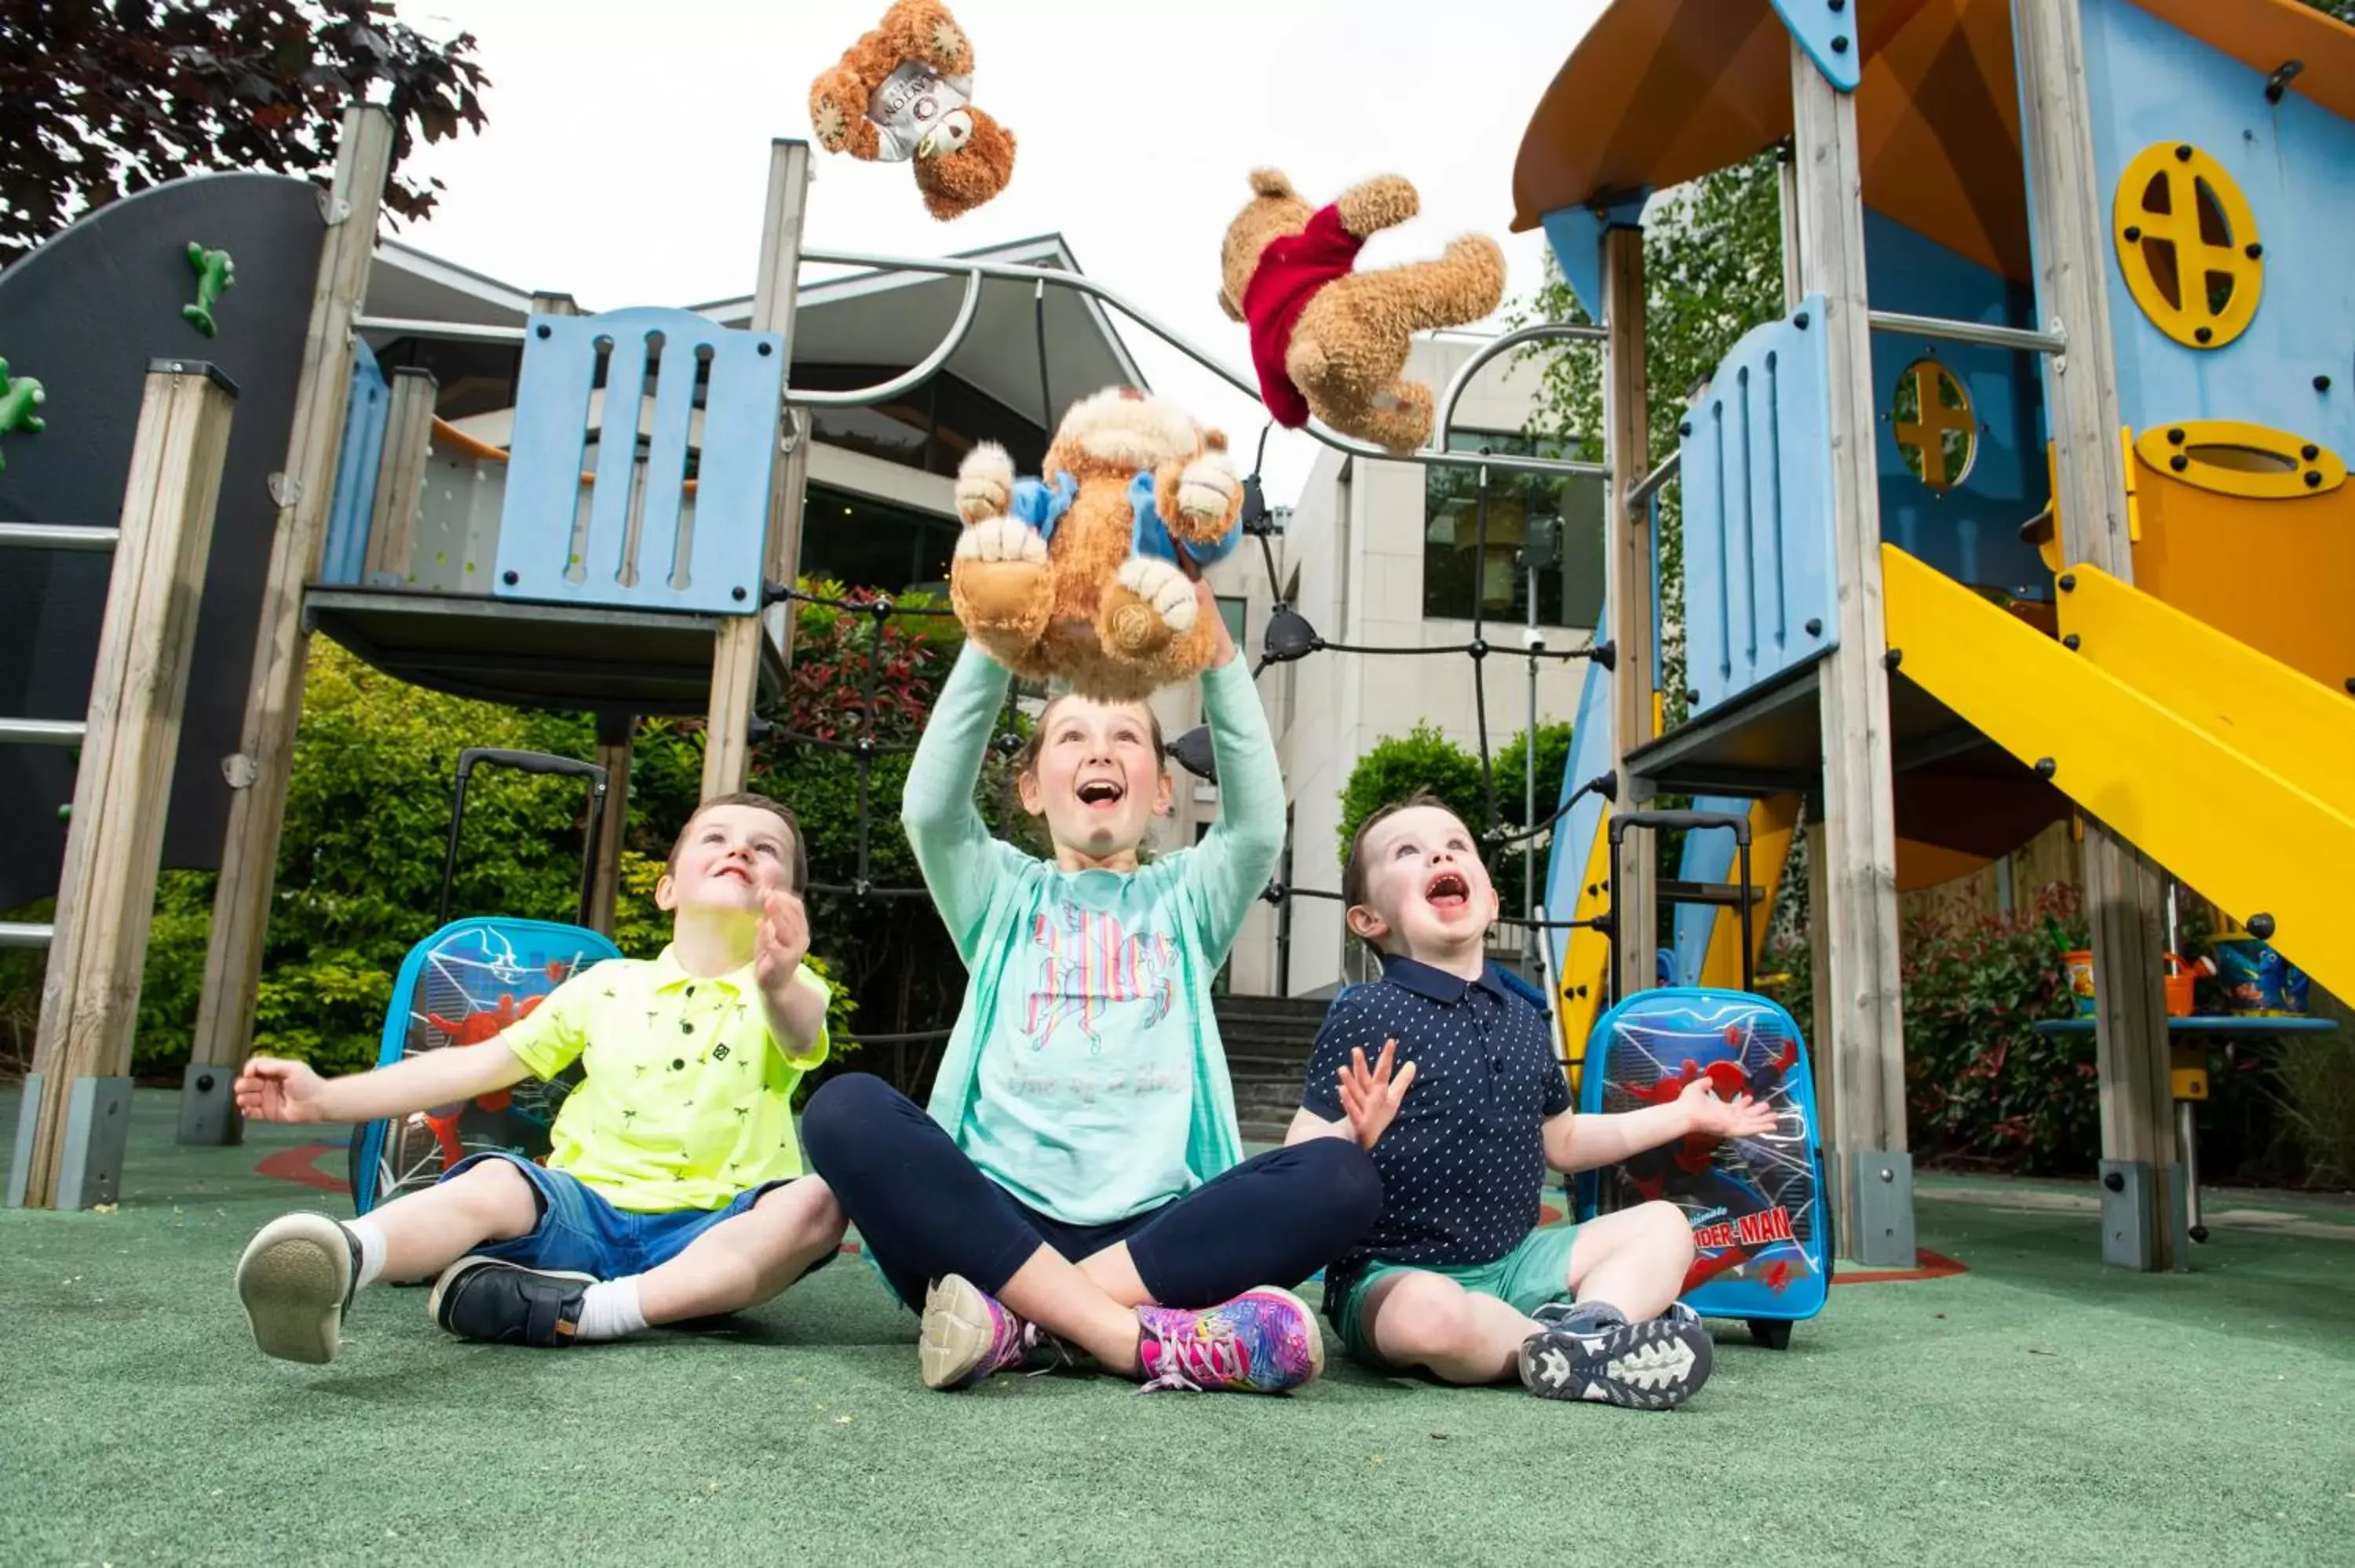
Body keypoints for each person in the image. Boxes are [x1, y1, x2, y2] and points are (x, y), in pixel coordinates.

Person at [801, 580, 1379, 1395]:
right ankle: (1130, 1340)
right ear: (1034, 789)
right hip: (990, 1226)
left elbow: (1255, 828)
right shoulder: (1001, 893)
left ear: (1163, 789)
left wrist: (1214, 647)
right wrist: (995, 641)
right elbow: (931, 810)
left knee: (1342, 1178)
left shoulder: (1185, 902)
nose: (1100, 751)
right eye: (1070, 736)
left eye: (1126, 737)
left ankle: (1019, 1326)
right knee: (844, 1109)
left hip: (1152, 1238)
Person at [231, 794, 845, 1362]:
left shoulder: (789, 989)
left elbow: (798, 1030)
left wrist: (775, 980)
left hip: (716, 1234)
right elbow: (475, 1066)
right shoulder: (606, 985)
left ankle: (595, 1310)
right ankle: (341, 1257)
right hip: (579, 1208)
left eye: (766, 850)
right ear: (666, 890)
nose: (739, 851)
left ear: (787, 904)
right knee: (498, 1178)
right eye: (715, 838)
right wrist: (324, 1098)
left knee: (818, 1201)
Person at [1285, 794, 1773, 1410]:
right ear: (1367, 920)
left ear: (1490, 901)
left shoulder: (1524, 1018)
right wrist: (1351, 1140)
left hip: (1520, 1264)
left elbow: (1564, 1143)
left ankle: (1592, 1326)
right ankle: (1573, 1346)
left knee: (1666, 1227)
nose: (1438, 852)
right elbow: (1296, 1151)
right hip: (1394, 1274)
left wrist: (1685, 1114)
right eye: (1406, 852)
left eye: (1455, 844)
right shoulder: (1365, 1011)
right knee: (1428, 1319)